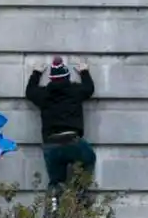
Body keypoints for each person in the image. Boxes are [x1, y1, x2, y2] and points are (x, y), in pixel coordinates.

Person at [25, 56, 96, 189]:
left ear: (51, 78)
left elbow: (30, 92)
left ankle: (54, 203)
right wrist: (84, 72)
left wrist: (36, 73)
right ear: (67, 77)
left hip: (51, 142)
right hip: (72, 140)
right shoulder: (75, 91)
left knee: (56, 181)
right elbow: (89, 88)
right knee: (89, 158)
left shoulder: (45, 94)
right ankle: (78, 196)